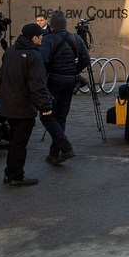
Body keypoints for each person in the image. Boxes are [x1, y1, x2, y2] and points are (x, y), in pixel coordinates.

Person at [0, 24, 53, 187]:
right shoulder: (33, 56)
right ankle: (16, 175)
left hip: (8, 105)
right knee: (19, 143)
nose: (42, 38)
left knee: (14, 141)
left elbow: (1, 77)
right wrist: (45, 106)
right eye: (40, 36)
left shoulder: (10, 51)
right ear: (33, 38)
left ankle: (10, 173)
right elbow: (37, 85)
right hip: (23, 108)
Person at [39, 11, 90, 165]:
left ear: (51, 26)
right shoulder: (76, 38)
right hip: (70, 80)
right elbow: (85, 59)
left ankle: (65, 147)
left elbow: (42, 62)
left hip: (54, 81)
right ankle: (54, 153)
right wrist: (74, 70)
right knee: (61, 116)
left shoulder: (48, 40)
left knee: (46, 116)